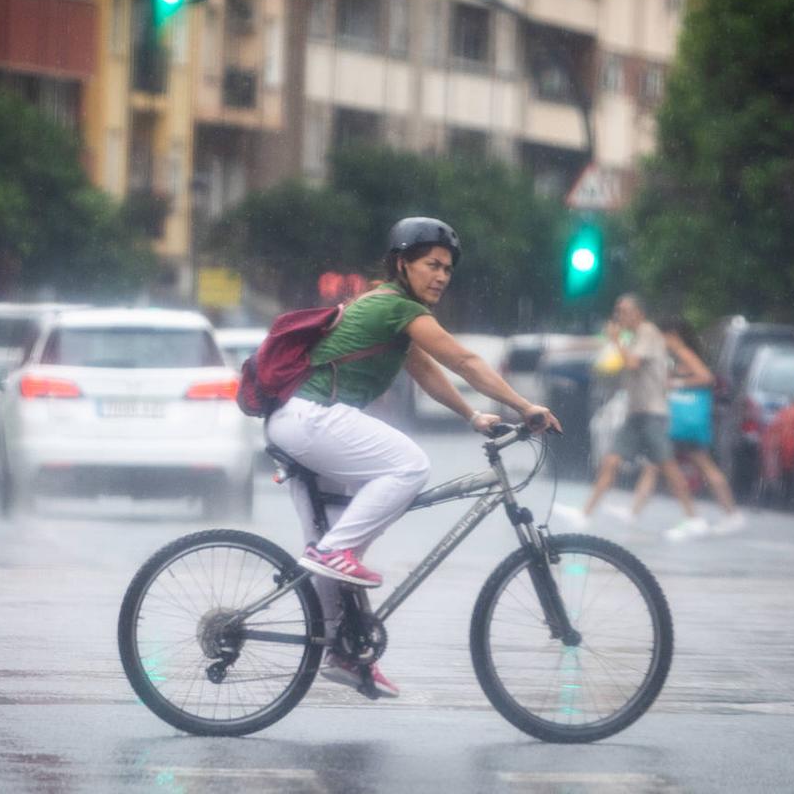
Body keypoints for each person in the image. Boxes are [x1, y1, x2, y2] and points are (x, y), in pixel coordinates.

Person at [265, 217, 561, 698]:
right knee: (408, 466)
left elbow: (426, 371)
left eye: (447, 268)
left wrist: (472, 415)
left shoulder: (393, 316)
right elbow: (462, 361)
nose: (442, 276)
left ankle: (342, 650)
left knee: (339, 547)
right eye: (432, 265)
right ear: (402, 263)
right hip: (311, 418)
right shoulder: (394, 306)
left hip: (305, 423)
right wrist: (524, 405)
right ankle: (331, 554)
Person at [558, 294, 706, 542]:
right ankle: (585, 513)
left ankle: (693, 518)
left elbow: (633, 363)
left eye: (625, 311)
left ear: (639, 314)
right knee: (611, 461)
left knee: (668, 466)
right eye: (618, 312)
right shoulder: (635, 336)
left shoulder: (647, 332)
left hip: (652, 413)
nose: (619, 317)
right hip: (636, 413)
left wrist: (616, 342)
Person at [617, 317, 745, 534]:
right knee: (656, 464)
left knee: (689, 464)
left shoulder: (684, 353)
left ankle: (724, 515)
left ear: (673, 336)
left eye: (663, 337)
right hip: (681, 421)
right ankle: (634, 512)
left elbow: (706, 377)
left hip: (685, 421)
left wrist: (676, 383)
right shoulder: (676, 356)